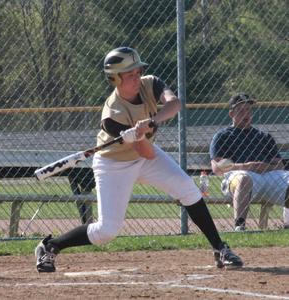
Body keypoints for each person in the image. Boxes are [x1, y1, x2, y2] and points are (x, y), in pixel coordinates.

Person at [35, 47, 243, 272]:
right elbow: (147, 152)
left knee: (187, 189)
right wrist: (137, 135)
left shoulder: (149, 83)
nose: (137, 77)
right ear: (115, 78)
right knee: (107, 231)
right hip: (114, 165)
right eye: (130, 74)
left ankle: (220, 248)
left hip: (144, 155)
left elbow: (174, 104)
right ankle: (50, 246)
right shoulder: (112, 115)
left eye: (137, 71)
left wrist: (152, 121)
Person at [210, 93, 289, 231]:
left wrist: (265, 166)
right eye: (241, 111)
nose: (246, 114)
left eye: (248, 110)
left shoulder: (263, 136)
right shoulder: (222, 136)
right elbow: (217, 169)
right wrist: (246, 166)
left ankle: (287, 224)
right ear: (231, 114)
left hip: (268, 176)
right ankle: (240, 227)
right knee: (244, 178)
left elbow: (280, 165)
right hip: (239, 176)